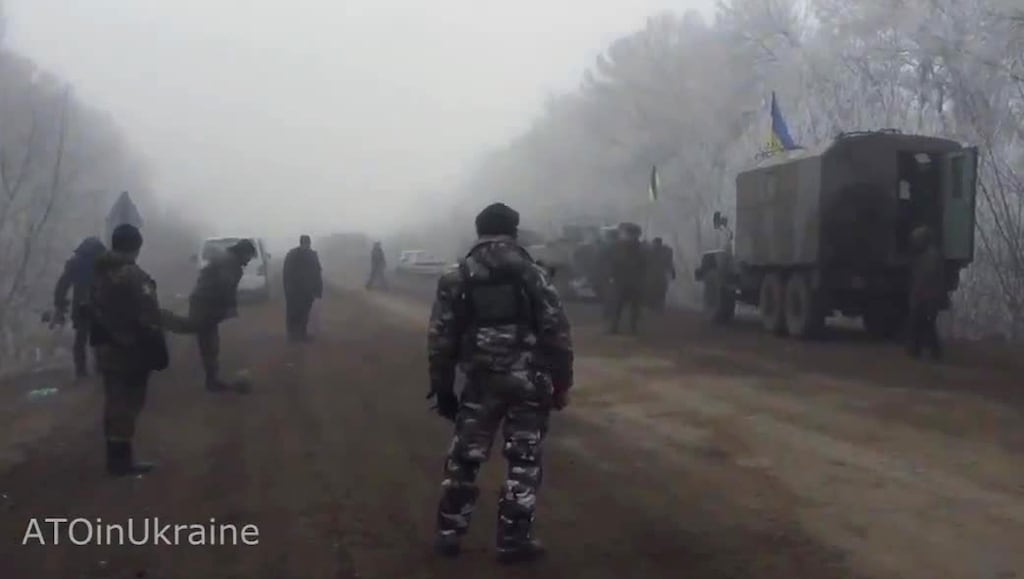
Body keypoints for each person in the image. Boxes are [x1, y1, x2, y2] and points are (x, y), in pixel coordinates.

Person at [427, 202, 574, 563]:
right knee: (523, 461)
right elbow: (557, 331)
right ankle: (513, 541)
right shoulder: (532, 273)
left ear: (479, 231)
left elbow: (441, 339)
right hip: (529, 381)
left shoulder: (457, 276)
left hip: (480, 383)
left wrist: (443, 387)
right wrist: (562, 382)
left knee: (464, 459)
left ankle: (449, 534)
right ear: (514, 231)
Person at [89, 224, 168, 476]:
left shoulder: (100, 272)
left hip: (105, 347)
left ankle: (116, 457)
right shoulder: (133, 275)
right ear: (136, 246)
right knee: (130, 402)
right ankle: (122, 462)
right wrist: (156, 342)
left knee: (114, 401)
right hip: (131, 348)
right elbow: (148, 313)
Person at [162, 239, 257, 391]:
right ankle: (161, 318)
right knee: (196, 330)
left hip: (207, 302)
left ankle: (212, 380)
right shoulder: (230, 262)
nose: (248, 260)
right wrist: (230, 307)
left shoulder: (229, 259)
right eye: (249, 256)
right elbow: (226, 286)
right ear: (243, 253)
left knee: (209, 342)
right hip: (205, 303)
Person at [53, 236, 107, 379]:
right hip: (100, 305)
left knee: (81, 338)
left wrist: (60, 303)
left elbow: (63, 284)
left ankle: (81, 371)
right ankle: (100, 367)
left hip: (81, 304)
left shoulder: (75, 263)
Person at [907, 225, 946, 360]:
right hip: (925, 297)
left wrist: (920, 297)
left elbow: (927, 280)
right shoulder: (924, 256)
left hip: (928, 297)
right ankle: (917, 350)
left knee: (925, 324)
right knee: (921, 324)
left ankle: (929, 351)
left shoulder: (931, 257)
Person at [282, 235, 323, 341]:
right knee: (293, 313)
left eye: (307, 243)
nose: (307, 245)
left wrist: (318, 290)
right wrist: (287, 288)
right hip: (296, 290)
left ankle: (301, 334)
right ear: (302, 243)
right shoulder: (294, 255)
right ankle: (292, 336)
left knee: (304, 313)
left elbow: (317, 273)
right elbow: (287, 273)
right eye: (305, 243)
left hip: (305, 290)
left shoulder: (310, 255)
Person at [608, 223, 647, 334]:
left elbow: (615, 262)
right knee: (623, 305)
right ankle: (624, 327)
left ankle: (623, 327)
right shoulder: (638, 247)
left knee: (623, 305)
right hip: (628, 280)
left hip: (627, 280)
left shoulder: (622, 247)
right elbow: (614, 262)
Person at [646, 237, 677, 311]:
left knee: (660, 290)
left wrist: (672, 272)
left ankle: (658, 307)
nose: (656, 245)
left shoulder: (665, 251)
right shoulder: (650, 251)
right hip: (653, 274)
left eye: (657, 243)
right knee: (654, 290)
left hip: (658, 274)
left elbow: (669, 263)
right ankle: (654, 306)